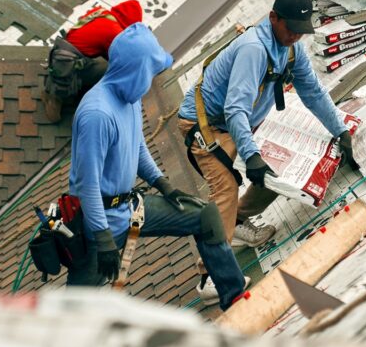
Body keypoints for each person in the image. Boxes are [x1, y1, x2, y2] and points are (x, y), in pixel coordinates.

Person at [177, 0, 353, 304]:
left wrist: (340, 131)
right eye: (290, 29)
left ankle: (237, 223)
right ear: (273, 18)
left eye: (301, 31)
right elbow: (235, 109)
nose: (295, 36)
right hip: (206, 125)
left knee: (279, 173)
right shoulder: (253, 49)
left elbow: (313, 92)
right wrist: (251, 155)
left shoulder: (291, 48)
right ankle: (210, 277)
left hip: (239, 121)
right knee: (225, 188)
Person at [67, 22, 248, 311]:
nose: (151, 80)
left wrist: (163, 185)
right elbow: (88, 186)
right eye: (149, 72)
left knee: (204, 216)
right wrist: (102, 238)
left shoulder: (129, 98)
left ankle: (235, 298)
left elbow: (137, 148)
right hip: (97, 222)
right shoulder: (96, 115)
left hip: (127, 207)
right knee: (75, 307)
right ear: (136, 70)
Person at [43, 0, 143, 122]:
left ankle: (74, 87)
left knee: (103, 63)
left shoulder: (100, 12)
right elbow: (120, 60)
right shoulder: (114, 31)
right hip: (68, 67)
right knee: (113, 70)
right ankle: (53, 98)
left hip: (60, 55)